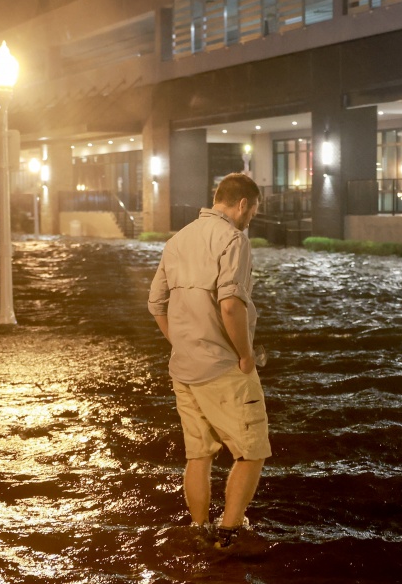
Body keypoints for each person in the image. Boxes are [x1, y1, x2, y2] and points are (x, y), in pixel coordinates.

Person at [148, 172, 269, 550]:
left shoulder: (177, 240)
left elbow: (155, 305)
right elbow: (231, 305)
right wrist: (246, 356)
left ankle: (200, 529)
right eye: (253, 212)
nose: (251, 219)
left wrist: (182, 342)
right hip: (222, 369)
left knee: (198, 455)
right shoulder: (234, 240)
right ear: (243, 204)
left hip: (184, 369)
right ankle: (229, 536)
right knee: (251, 451)